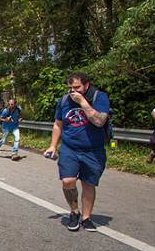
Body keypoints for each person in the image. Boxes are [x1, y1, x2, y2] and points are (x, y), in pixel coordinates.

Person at [44, 72, 111, 232]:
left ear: (86, 85)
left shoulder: (99, 97)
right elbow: (58, 124)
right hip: (69, 148)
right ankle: (74, 211)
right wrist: (53, 146)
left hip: (93, 150)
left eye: (77, 87)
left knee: (88, 184)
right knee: (67, 181)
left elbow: (99, 121)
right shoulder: (64, 100)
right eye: (70, 88)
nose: (73, 91)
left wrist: (82, 102)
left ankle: (86, 217)